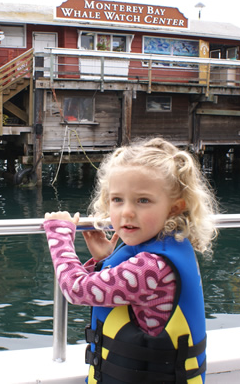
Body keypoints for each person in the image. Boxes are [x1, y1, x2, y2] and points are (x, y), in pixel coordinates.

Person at [43, 137, 218, 384]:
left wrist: (60, 235)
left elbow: (77, 290)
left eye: (143, 200)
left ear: (174, 208)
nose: (126, 211)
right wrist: (104, 259)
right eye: (117, 199)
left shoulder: (152, 267)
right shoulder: (167, 247)